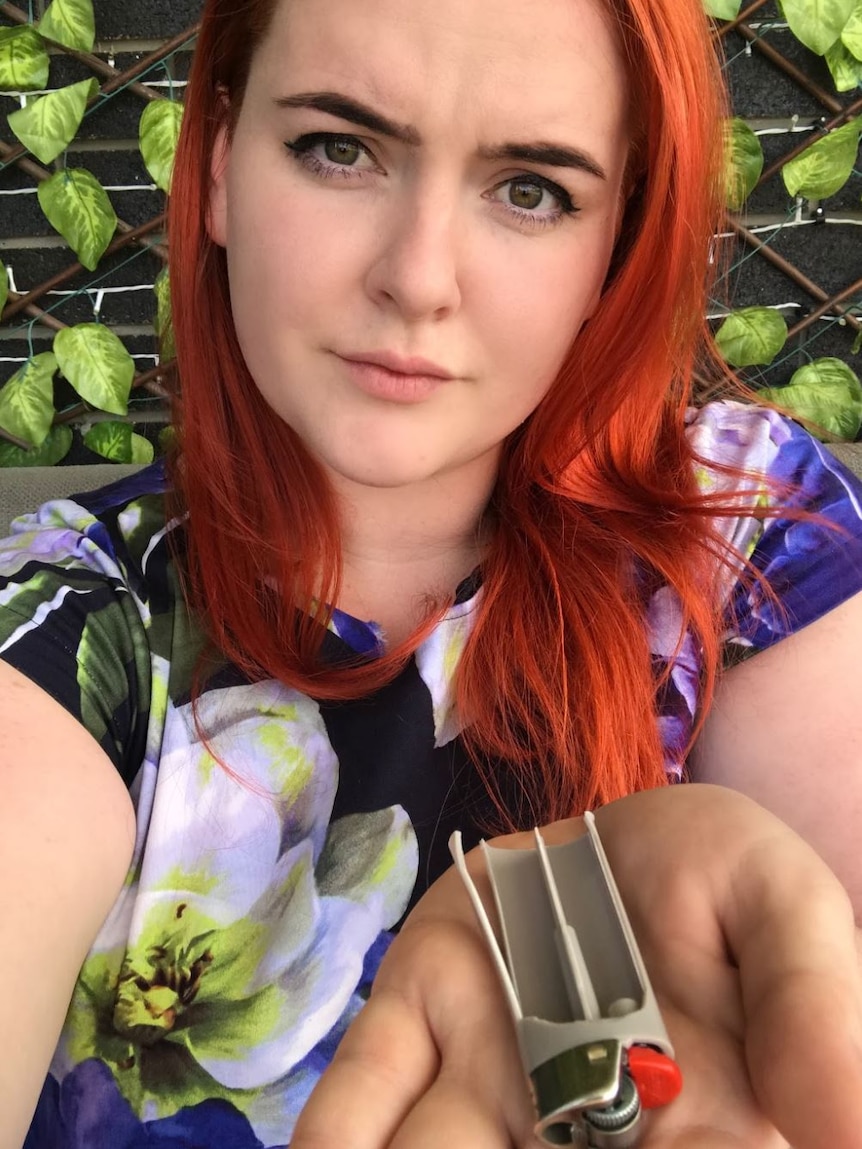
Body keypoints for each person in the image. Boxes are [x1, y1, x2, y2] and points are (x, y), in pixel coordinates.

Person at [1, 0, 861, 1143]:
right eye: (338, 148)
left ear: (612, 246)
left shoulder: (738, 528)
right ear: (214, 166)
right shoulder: (64, 620)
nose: (418, 278)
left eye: (531, 189)